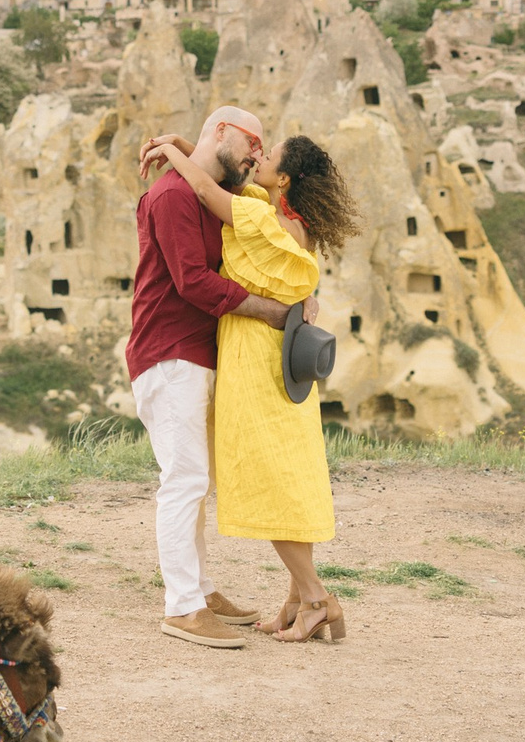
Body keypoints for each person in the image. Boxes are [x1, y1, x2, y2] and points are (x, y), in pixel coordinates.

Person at [143, 131, 362, 644]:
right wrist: (191, 143)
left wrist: (172, 150)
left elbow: (202, 189)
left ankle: (316, 599)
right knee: (288, 473)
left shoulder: (261, 217)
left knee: (267, 477)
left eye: (269, 157)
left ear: (283, 178)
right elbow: (224, 183)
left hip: (254, 355)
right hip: (282, 358)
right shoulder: (288, 221)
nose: (258, 158)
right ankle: (294, 599)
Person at [127, 105, 295, 649]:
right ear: (220, 131)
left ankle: (199, 588)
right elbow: (193, 283)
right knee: (184, 481)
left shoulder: (198, 191)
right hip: (169, 352)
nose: (257, 154)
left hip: (190, 353)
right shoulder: (173, 195)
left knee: (195, 483)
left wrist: (179, 145)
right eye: (253, 141)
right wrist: (270, 311)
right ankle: (182, 607)